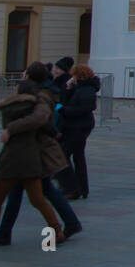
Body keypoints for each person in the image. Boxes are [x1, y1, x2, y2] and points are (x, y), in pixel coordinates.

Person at [0, 79, 66, 253]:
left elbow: (7, 119)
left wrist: (10, 128)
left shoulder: (11, 108)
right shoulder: (36, 108)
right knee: (38, 199)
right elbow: (42, 122)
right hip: (31, 159)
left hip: (12, 160)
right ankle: (57, 230)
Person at [0, 62, 82, 246]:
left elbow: (40, 119)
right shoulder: (36, 93)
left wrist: (11, 129)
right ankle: (5, 233)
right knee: (31, 192)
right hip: (27, 151)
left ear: (30, 77)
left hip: (34, 151)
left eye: (25, 73)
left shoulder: (41, 96)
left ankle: (65, 224)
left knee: (35, 193)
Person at [58, 64, 100, 199]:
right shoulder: (80, 88)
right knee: (78, 156)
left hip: (79, 127)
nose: (72, 78)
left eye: (74, 75)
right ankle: (81, 188)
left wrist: (63, 110)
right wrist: (68, 88)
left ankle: (72, 187)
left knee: (64, 155)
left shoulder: (87, 89)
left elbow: (85, 107)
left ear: (80, 76)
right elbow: (67, 101)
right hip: (75, 126)